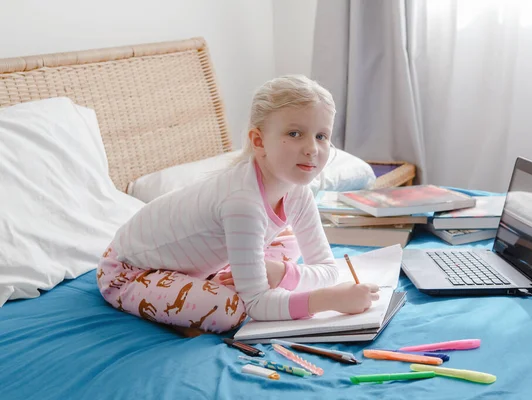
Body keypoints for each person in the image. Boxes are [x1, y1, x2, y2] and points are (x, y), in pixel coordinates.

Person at [96, 75, 379, 335]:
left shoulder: (298, 189)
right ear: (259, 141)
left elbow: (328, 269)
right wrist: (328, 300)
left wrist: (282, 273)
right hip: (128, 271)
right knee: (230, 310)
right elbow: (256, 304)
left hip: (199, 257)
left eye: (321, 136)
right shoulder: (242, 203)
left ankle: (222, 279)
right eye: (295, 134)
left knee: (289, 242)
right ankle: (201, 291)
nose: (312, 149)